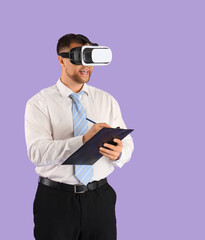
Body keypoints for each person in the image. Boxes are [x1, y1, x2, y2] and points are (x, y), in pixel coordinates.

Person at [24, 33, 134, 240]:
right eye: (78, 57)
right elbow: (36, 152)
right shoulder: (39, 103)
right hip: (56, 202)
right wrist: (82, 141)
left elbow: (127, 145)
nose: (86, 66)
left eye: (90, 58)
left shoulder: (107, 100)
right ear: (61, 59)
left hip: (100, 199)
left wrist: (120, 152)